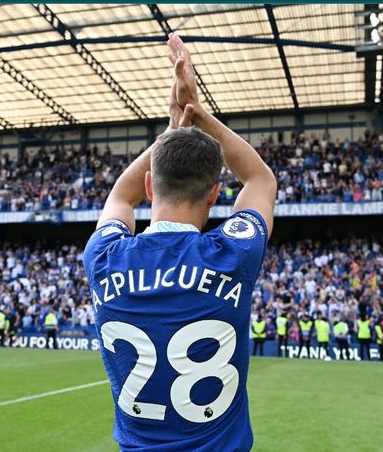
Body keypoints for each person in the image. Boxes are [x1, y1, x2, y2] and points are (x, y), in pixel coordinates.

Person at [82, 34, 275, 452]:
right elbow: (261, 179)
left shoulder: (103, 257)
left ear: (150, 185)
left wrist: (174, 124)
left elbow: (118, 195)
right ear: (213, 195)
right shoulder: (232, 254)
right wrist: (197, 112)